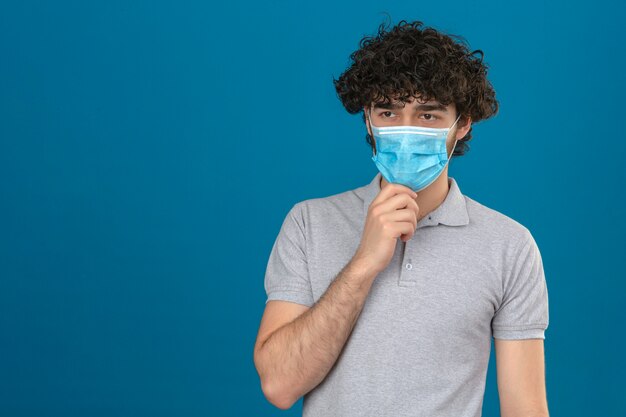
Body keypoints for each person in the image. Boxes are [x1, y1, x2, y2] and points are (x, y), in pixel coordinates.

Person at [253, 19, 550, 417]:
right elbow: (278, 386)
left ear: (462, 125)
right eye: (388, 112)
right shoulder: (309, 223)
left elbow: (525, 409)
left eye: (428, 115)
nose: (406, 130)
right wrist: (362, 265)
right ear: (367, 120)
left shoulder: (510, 246)